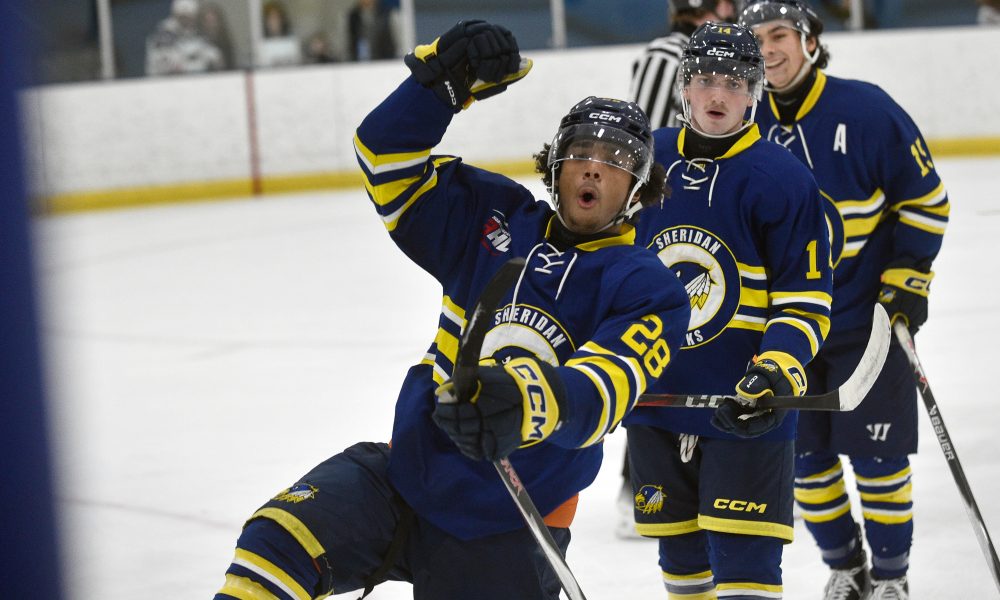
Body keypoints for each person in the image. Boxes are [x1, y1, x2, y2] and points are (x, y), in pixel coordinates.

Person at [213, 19, 691, 600]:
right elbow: (383, 157)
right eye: (580, 152)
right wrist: (440, 84)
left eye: (615, 159)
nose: (593, 166)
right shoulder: (493, 215)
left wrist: (524, 400)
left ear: (639, 187)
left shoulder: (649, 288)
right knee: (276, 543)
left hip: (513, 518)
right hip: (407, 474)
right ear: (555, 166)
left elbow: (604, 391)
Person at [739, 2, 950, 598]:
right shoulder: (738, 124)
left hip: (867, 323)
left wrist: (907, 281)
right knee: (803, 461)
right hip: (784, 331)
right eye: (755, 38)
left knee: (878, 459)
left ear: (810, 41)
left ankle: (892, 577)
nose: (768, 48)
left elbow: (925, 201)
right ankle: (846, 566)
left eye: (779, 34)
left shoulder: (866, 110)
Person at [624, 22, 833, 598]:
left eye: (735, 83)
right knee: (681, 567)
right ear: (685, 87)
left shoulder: (784, 179)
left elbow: (805, 298)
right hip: (655, 405)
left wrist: (777, 368)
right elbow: (606, 269)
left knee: (747, 570)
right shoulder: (644, 163)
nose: (718, 95)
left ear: (754, 93)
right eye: (706, 80)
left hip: (747, 410)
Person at [619, 0, 738, 539]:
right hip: (672, 218)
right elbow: (641, 147)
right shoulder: (668, 55)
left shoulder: (715, 56)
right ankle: (639, 482)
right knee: (664, 343)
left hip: (698, 211)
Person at [628, 0, 737, 131]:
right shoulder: (665, 55)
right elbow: (646, 137)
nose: (731, 9)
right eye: (727, 2)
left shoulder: (709, 57)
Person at [145, 0, 224, 76]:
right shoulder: (163, 35)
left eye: (189, 17)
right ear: (176, 15)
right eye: (183, 17)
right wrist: (197, 63)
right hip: (165, 81)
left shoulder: (196, 32)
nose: (186, 21)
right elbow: (169, 66)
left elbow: (214, 57)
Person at [259, 0, 301, 67]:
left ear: (282, 19)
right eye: (270, 18)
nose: (274, 22)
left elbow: (297, 63)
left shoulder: (291, 41)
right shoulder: (261, 43)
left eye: (276, 18)